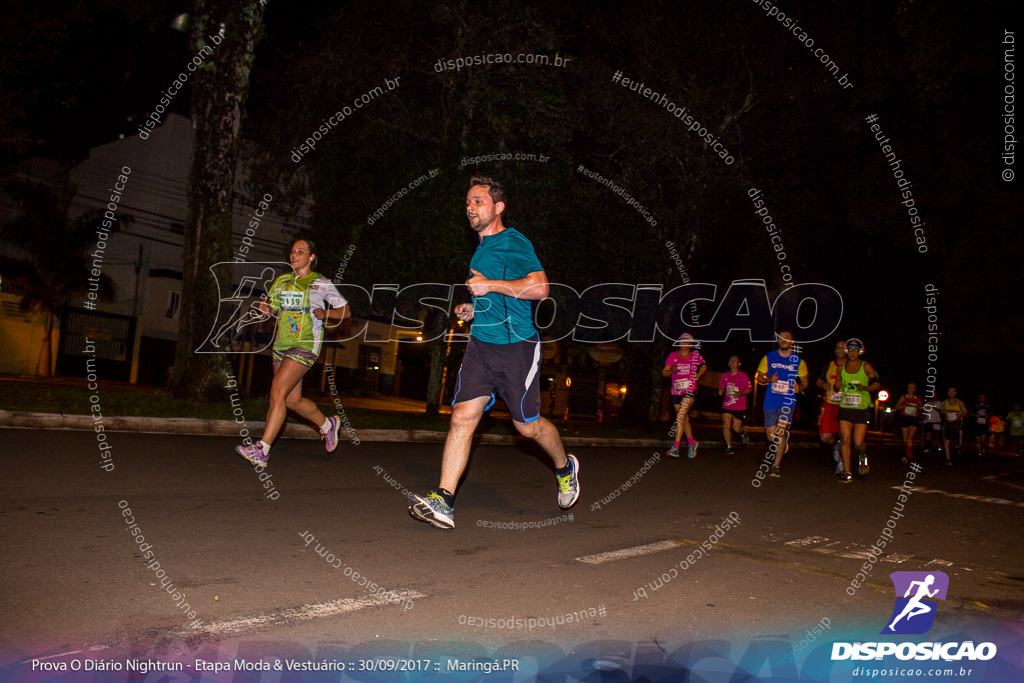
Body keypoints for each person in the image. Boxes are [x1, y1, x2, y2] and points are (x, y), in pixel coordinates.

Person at [409, 177, 579, 530]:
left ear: (498, 207)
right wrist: (474, 308)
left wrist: (490, 285)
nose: (470, 207)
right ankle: (444, 499)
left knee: (527, 428)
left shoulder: (513, 241)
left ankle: (565, 468)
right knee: (461, 417)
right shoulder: (480, 250)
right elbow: (494, 298)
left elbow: (541, 288)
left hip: (517, 347)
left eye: (479, 201)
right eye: (468, 202)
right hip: (481, 346)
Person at [235, 238, 350, 466]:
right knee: (292, 400)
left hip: (306, 344)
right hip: (281, 345)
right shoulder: (282, 281)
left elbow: (345, 311)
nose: (294, 255)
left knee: (276, 390)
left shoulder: (320, 283)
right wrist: (264, 309)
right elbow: (271, 311)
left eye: (300, 251)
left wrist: (326, 314)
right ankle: (328, 425)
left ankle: (262, 450)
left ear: (311, 257)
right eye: (292, 251)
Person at [755, 330, 808, 478]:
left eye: (787, 338)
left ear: (792, 342)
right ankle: (783, 442)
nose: (783, 340)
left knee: (780, 433)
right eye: (781, 338)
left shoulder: (798, 361)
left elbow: (805, 382)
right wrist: (768, 379)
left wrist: (800, 387)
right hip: (770, 401)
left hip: (787, 401)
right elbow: (759, 377)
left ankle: (776, 466)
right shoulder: (768, 358)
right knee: (771, 437)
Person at [832, 338, 880, 482]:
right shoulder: (841, 367)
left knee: (858, 442)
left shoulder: (866, 367)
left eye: (855, 351)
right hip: (846, 408)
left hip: (861, 409)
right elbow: (836, 387)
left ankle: (862, 455)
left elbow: (877, 385)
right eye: (850, 350)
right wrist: (837, 383)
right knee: (845, 440)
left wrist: (864, 388)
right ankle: (847, 472)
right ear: (847, 352)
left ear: (860, 352)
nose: (852, 353)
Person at [663, 333, 707, 458]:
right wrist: (672, 370)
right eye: (682, 341)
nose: (684, 343)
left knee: (680, 416)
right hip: (676, 391)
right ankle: (692, 443)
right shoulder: (673, 356)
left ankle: (675, 447)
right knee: (684, 418)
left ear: (691, 344)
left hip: (690, 391)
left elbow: (704, 366)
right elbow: (664, 372)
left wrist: (698, 375)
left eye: (687, 342)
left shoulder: (695, 356)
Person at [816, 339, 848, 472]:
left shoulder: (852, 366)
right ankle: (836, 445)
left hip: (845, 406)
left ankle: (842, 463)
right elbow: (818, 381)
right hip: (829, 404)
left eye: (843, 348)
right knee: (825, 437)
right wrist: (823, 385)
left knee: (844, 435)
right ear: (835, 351)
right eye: (838, 348)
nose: (840, 350)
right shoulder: (829, 365)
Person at [718, 354, 751, 454]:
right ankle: (729, 446)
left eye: (735, 361)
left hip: (739, 406)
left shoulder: (743, 376)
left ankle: (742, 432)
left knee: (736, 429)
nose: (732, 362)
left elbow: (749, 389)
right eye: (730, 360)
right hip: (727, 405)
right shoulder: (725, 376)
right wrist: (720, 391)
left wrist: (740, 393)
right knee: (726, 423)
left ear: (739, 364)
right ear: (728, 363)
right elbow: (721, 387)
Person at [895, 383, 924, 462]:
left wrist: (918, 407)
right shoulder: (903, 397)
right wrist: (904, 405)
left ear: (915, 389)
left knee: (910, 437)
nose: (911, 389)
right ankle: (909, 452)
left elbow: (922, 407)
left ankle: (907, 455)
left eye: (913, 388)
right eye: (909, 388)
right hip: (905, 418)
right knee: (905, 439)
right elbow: (897, 407)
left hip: (914, 418)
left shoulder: (918, 399)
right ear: (907, 389)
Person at [940, 387, 968, 464]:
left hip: (957, 425)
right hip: (947, 425)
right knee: (947, 441)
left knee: (957, 443)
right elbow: (942, 411)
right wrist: (944, 412)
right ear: (947, 393)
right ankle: (948, 459)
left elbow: (965, 412)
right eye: (950, 391)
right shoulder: (944, 402)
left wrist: (961, 414)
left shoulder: (959, 402)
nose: (951, 393)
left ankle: (959, 448)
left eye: (953, 392)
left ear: (956, 393)